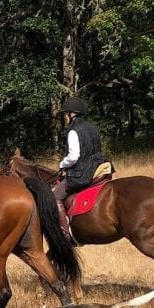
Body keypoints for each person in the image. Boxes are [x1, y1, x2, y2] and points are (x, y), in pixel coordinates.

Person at [53, 95, 107, 234]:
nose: (65, 117)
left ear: (73, 114)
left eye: (66, 113)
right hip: (98, 169)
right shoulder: (93, 128)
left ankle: (64, 232)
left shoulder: (73, 131)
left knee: (53, 196)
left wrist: (62, 164)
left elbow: (74, 157)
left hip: (82, 173)